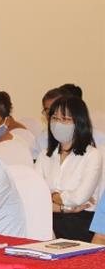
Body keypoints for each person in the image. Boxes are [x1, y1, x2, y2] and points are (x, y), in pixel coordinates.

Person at [34, 95, 102, 242]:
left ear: (79, 122)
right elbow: (36, 197)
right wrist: (63, 207)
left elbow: (79, 198)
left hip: (81, 224)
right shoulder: (44, 155)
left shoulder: (92, 155)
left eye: (65, 119)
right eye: (54, 118)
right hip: (47, 220)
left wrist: (52, 195)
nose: (58, 124)